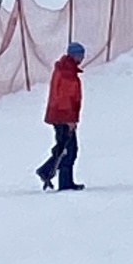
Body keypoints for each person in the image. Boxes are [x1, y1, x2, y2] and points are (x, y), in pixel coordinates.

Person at [36, 42, 85, 192]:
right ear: (74, 55)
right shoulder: (67, 73)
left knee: (65, 147)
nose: (82, 58)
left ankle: (50, 172)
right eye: (81, 55)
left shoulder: (66, 70)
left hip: (59, 115)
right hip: (62, 116)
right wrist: (69, 119)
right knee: (68, 149)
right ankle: (62, 181)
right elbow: (65, 98)